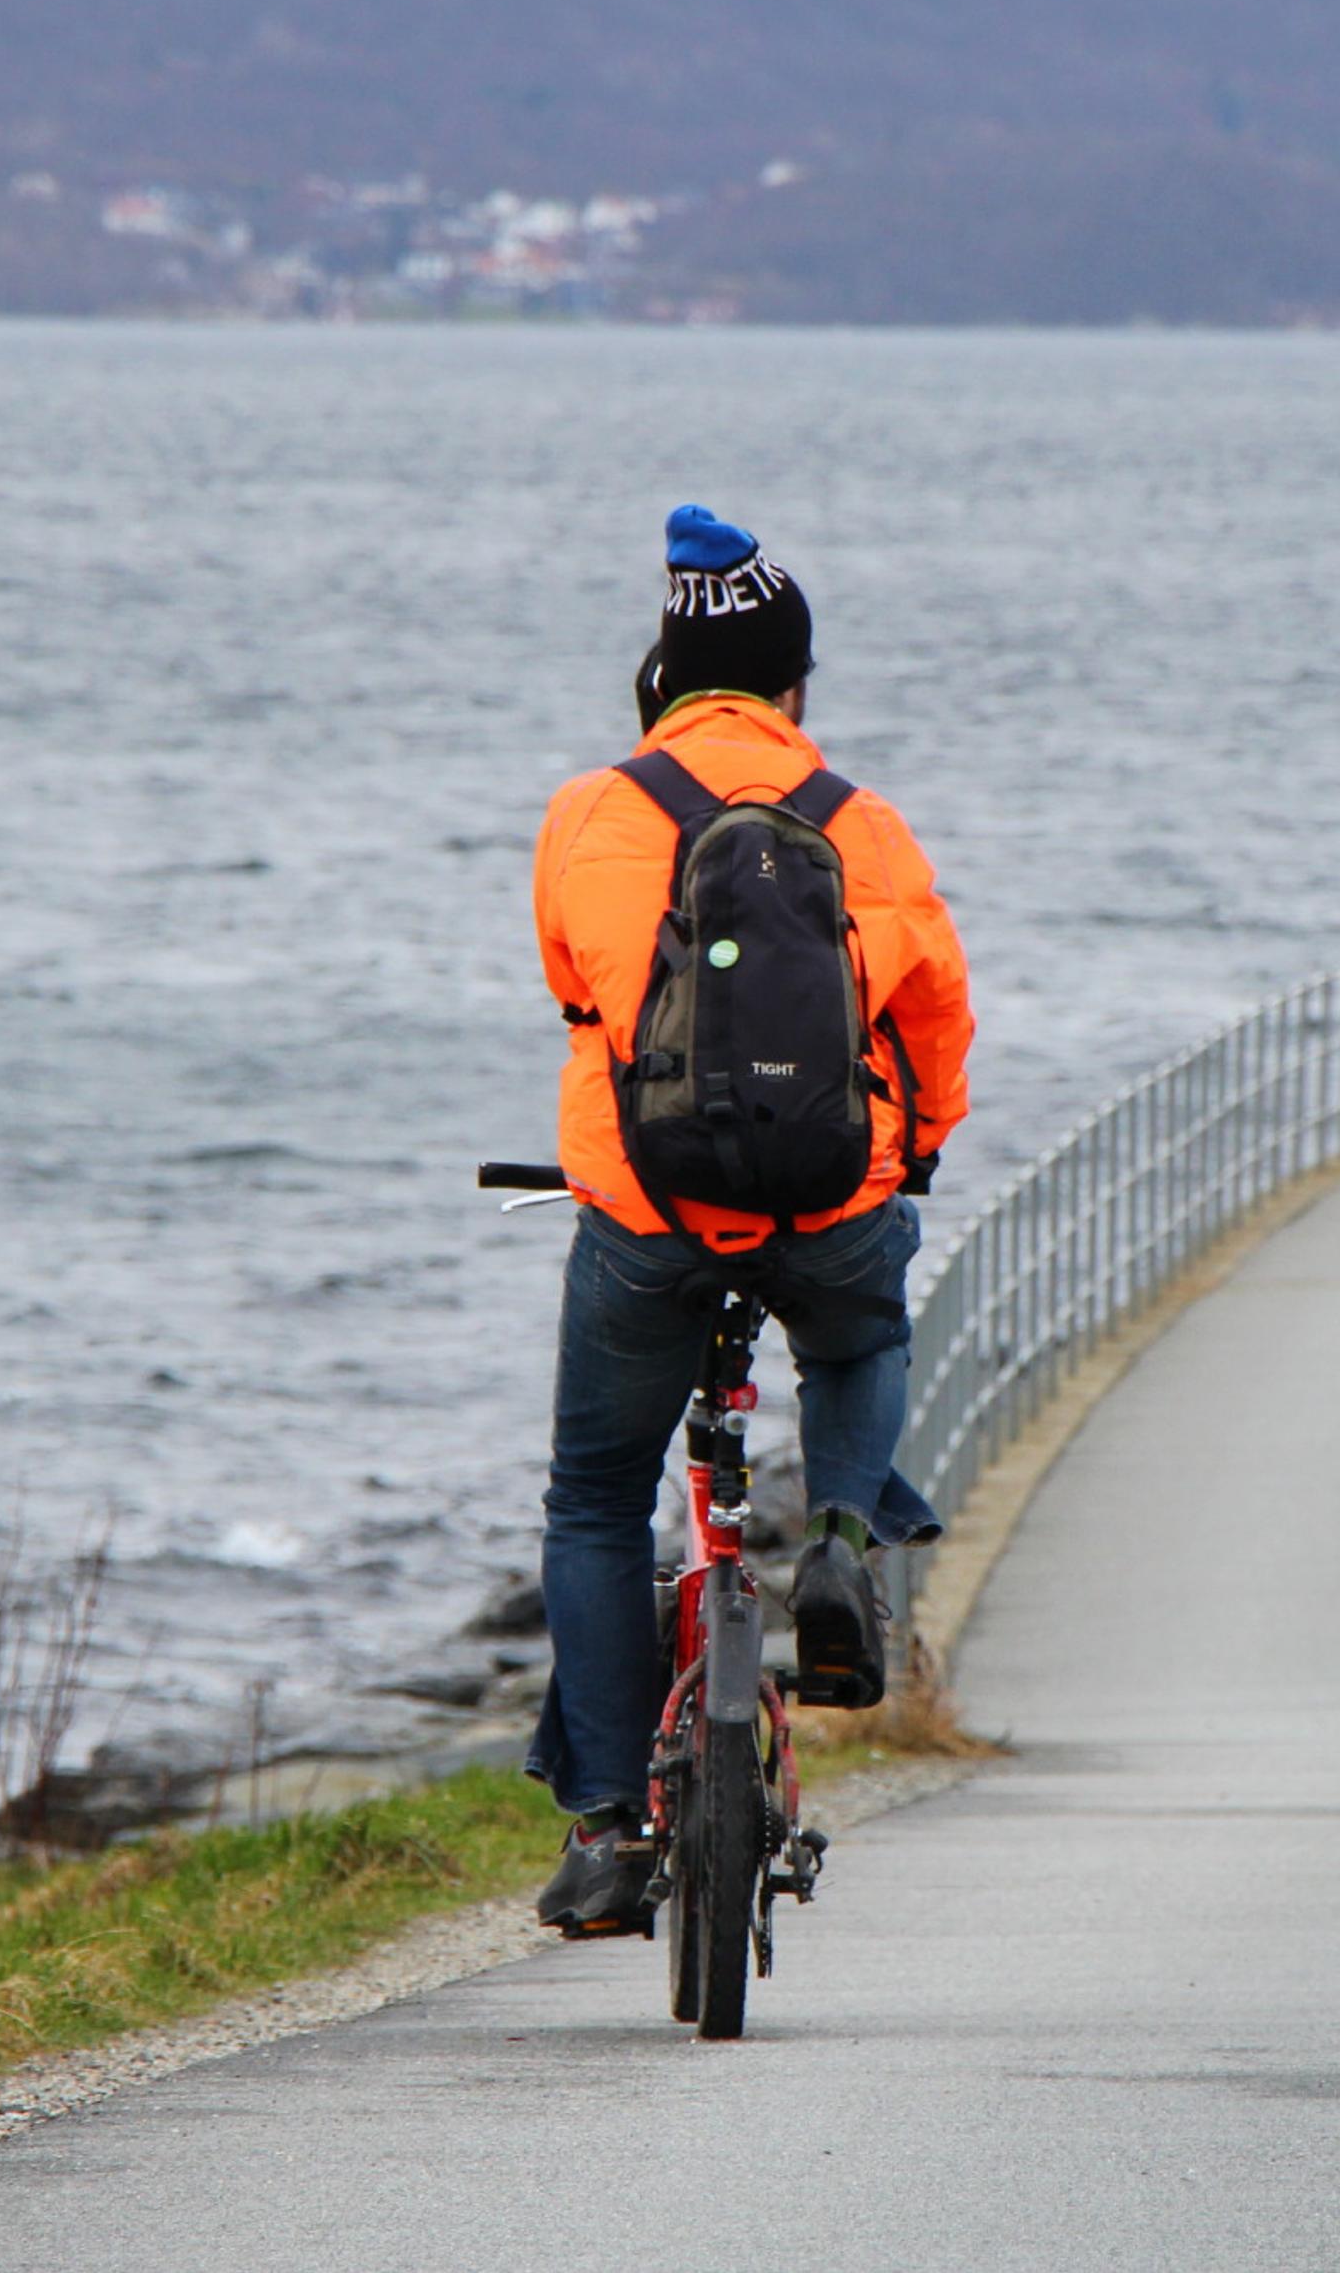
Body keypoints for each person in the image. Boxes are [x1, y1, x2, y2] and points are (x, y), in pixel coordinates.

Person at [522, 503, 975, 1936]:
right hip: (829, 1200)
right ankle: (840, 1533)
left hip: (652, 1213)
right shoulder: (865, 827)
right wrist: (917, 1159)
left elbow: (580, 997)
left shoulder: (591, 814)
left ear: (661, 678)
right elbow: (938, 1017)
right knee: (860, 1331)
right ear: (794, 689)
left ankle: (602, 1832)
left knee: (597, 1500)